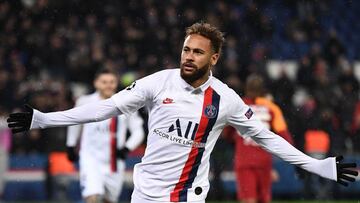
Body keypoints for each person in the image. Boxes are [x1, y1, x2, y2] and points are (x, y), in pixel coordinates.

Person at [6, 22, 358, 203]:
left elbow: (267, 139)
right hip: (144, 190)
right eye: (186, 49)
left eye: (198, 52)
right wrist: (43, 118)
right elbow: (104, 109)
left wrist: (320, 166)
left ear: (214, 58)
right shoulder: (158, 83)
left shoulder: (226, 100)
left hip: (186, 194)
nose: (188, 56)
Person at [66, 68, 145, 203]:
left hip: (114, 162)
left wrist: (126, 148)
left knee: (109, 200)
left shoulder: (126, 102)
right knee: (93, 196)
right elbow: (74, 123)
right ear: (96, 83)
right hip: (90, 158)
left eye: (112, 82)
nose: (108, 85)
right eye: (104, 82)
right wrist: (71, 145)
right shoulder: (85, 101)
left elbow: (138, 131)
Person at [223, 74, 293, 203]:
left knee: (248, 199)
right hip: (264, 160)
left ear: (246, 88)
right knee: (264, 199)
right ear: (263, 90)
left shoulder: (238, 106)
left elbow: (226, 133)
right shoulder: (272, 108)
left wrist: (235, 138)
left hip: (244, 158)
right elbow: (285, 137)